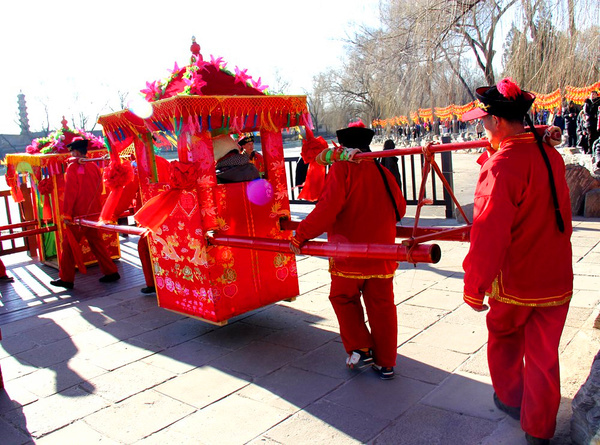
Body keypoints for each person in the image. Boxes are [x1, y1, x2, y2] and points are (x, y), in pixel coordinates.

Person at [461, 78, 573, 445]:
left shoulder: (503, 164)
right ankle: (539, 430)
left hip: (517, 281)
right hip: (556, 276)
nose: (481, 125)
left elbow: (488, 234)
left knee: (505, 338)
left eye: (484, 119)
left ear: (496, 121)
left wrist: (475, 286)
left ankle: (511, 398)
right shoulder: (549, 153)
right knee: (544, 355)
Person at [289, 121, 406, 380]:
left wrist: (301, 235)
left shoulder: (342, 169)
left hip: (349, 253)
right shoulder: (382, 170)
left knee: (343, 298)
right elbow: (401, 209)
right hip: (383, 253)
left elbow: (327, 209)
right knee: (383, 305)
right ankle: (386, 363)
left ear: (343, 147)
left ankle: (361, 347)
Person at [50, 139, 120, 289]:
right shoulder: (93, 166)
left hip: (79, 215)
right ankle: (111, 271)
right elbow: (100, 187)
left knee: (69, 246)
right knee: (97, 243)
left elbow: (70, 193)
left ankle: (66, 278)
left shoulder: (73, 167)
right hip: (94, 211)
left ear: (75, 152)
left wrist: (67, 214)